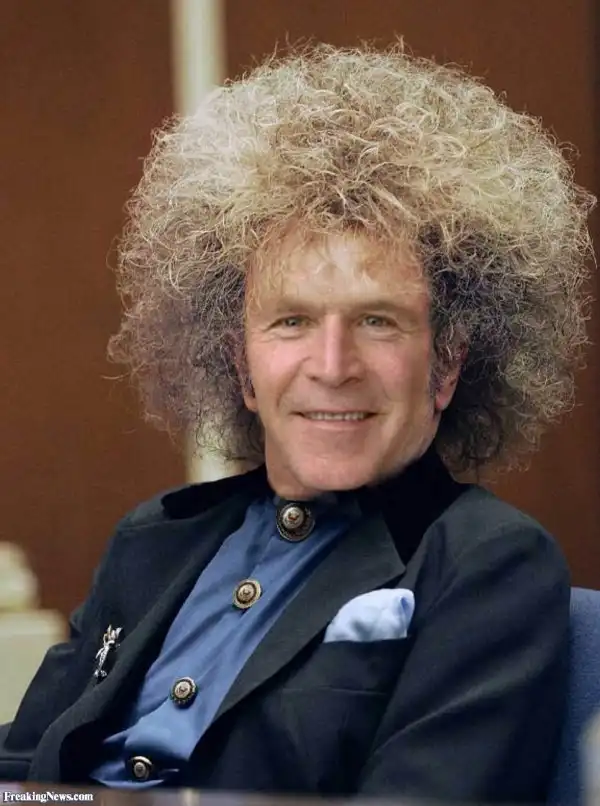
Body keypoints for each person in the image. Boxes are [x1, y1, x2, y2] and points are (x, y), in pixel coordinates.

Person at [0, 42, 595, 801]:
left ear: (447, 363)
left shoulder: (486, 562)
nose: (333, 364)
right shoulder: (153, 541)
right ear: (241, 365)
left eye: (377, 321)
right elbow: (25, 771)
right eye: (291, 322)